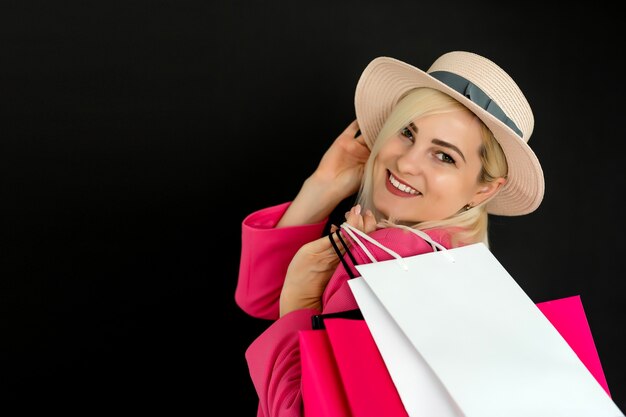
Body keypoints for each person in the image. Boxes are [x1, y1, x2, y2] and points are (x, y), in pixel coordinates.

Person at [235, 51, 544, 417]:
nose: (407, 162)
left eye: (444, 156)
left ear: (484, 191)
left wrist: (300, 306)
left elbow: (298, 411)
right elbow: (263, 297)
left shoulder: (389, 257)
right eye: (407, 132)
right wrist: (323, 187)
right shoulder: (455, 266)